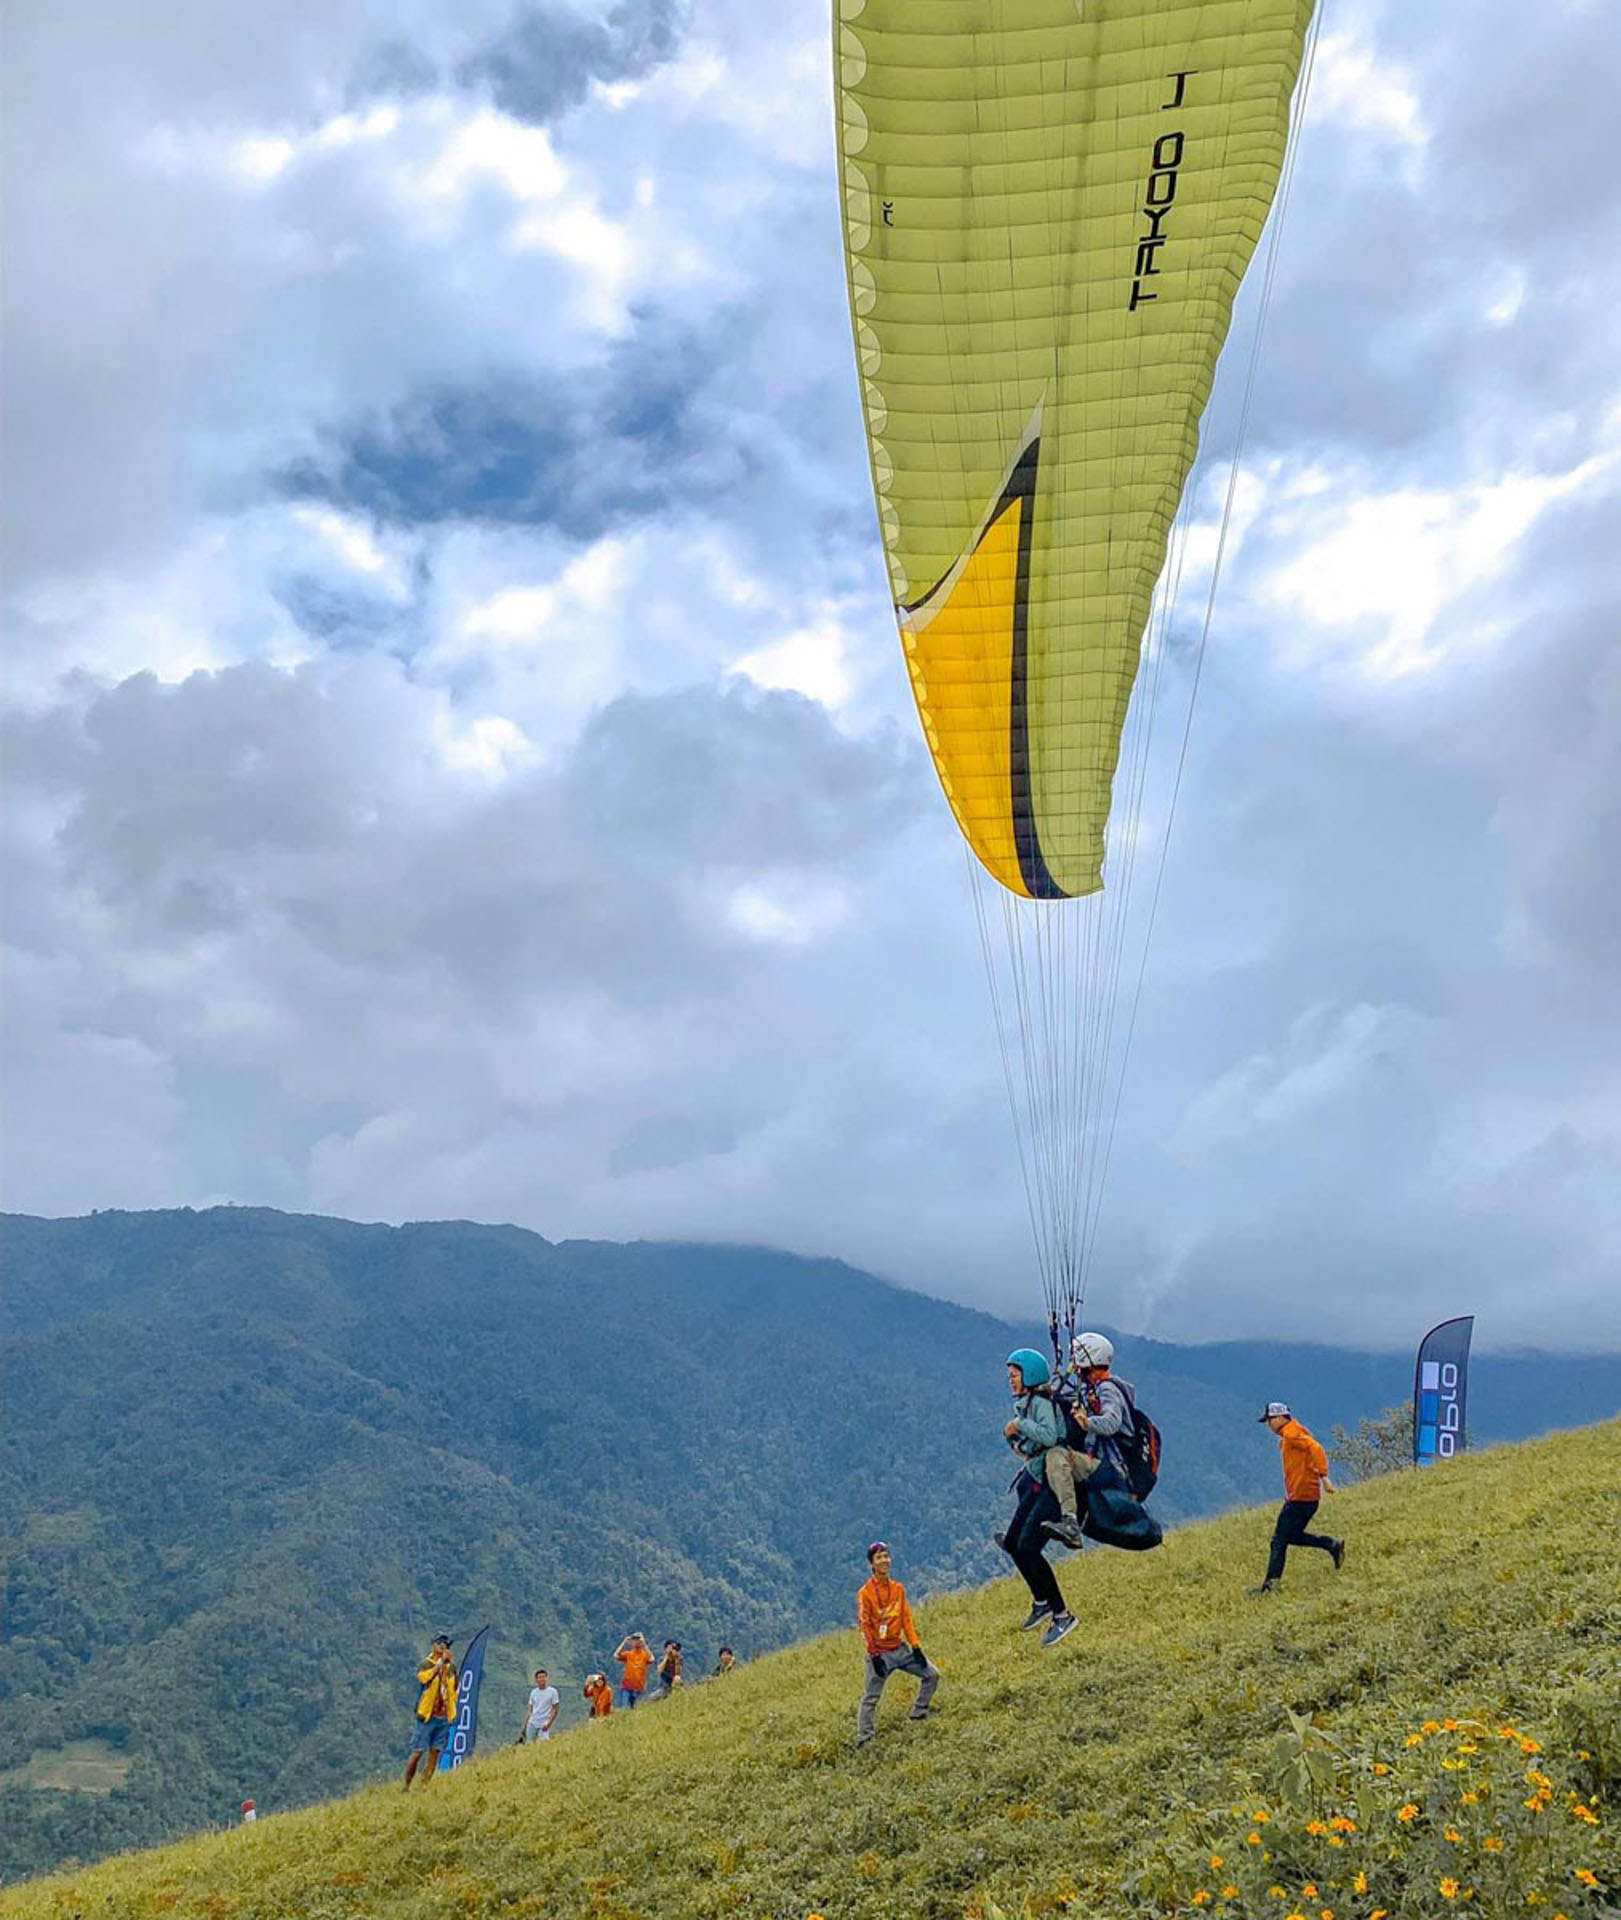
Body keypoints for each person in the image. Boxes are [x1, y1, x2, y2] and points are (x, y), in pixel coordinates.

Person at [997, 1348, 1077, 1647]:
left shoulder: (1040, 1404)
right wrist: (1014, 1437)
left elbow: (1049, 1435)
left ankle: (1062, 1614)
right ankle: (1042, 1601)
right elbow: (1029, 1447)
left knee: (1028, 1548)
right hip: (1036, 1476)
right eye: (1010, 1376)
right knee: (1013, 1543)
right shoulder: (1026, 1404)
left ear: (1029, 1377)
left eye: (1015, 1376)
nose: (1011, 1381)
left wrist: (1019, 1426)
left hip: (1050, 1484)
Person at [1042, 1331, 1134, 1550]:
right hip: (1099, 1461)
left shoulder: (1108, 1388)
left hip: (1111, 1467)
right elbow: (1070, 1396)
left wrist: (1087, 1422)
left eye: (1076, 1358)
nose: (1073, 1364)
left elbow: (1111, 1422)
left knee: (1056, 1456)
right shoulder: (1092, 1388)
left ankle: (1071, 1525)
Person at [1253, 1401, 1345, 1592]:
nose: (1269, 1425)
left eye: (1270, 1420)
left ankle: (1270, 1587)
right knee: (1291, 1536)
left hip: (1301, 1497)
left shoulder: (1292, 1433)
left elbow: (1316, 1448)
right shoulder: (1293, 1432)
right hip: (1307, 1497)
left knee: (1278, 1541)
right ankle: (1331, 1544)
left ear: (1279, 1418)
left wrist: (1324, 1477)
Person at [855, 1541, 939, 1747]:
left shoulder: (898, 1589)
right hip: (880, 1655)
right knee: (870, 1698)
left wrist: (916, 1646)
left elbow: (905, 1619)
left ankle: (918, 1714)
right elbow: (865, 1625)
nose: (884, 1560)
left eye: (886, 1556)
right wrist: (874, 1655)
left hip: (900, 1649)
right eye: (878, 1557)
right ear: (872, 1565)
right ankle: (864, 1739)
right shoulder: (865, 1593)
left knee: (932, 1674)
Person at [403, 1632, 458, 1788]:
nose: (443, 1646)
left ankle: (424, 1787)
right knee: (418, 1752)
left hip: (444, 1716)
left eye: (446, 1644)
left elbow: (453, 1688)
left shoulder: (451, 1667)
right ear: (433, 1645)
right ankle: (406, 1785)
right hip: (427, 1716)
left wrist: (446, 1667)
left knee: (435, 1753)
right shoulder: (426, 1664)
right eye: (440, 1643)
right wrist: (439, 1665)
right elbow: (424, 1678)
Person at [519, 1666, 560, 1743]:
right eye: (539, 1677)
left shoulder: (552, 1692)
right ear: (536, 1680)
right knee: (530, 1744)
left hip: (544, 1722)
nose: (542, 1679)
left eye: (543, 1677)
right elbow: (530, 1710)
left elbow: (556, 1709)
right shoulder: (533, 1692)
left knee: (544, 1743)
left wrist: (549, 1723)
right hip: (533, 1722)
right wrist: (525, 1725)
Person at [613, 1633, 653, 1708]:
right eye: (634, 1640)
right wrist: (624, 1642)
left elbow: (652, 1659)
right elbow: (616, 1655)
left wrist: (644, 1645)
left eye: (638, 1640)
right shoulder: (629, 1654)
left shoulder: (644, 1655)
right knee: (624, 1708)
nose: (636, 1642)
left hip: (639, 1687)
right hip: (627, 1686)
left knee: (636, 1709)